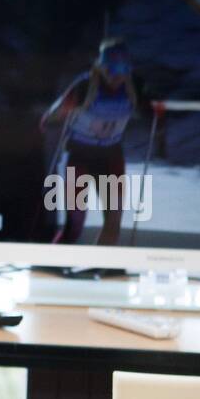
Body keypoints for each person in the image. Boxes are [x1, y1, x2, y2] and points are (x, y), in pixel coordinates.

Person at [39, 38, 157, 246]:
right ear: (101, 66)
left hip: (110, 156)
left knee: (113, 220)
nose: (117, 77)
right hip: (79, 155)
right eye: (112, 70)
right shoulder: (85, 85)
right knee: (75, 222)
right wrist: (62, 115)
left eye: (123, 70)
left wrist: (156, 112)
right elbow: (49, 119)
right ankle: (55, 262)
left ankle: (103, 265)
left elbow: (150, 112)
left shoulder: (134, 85)